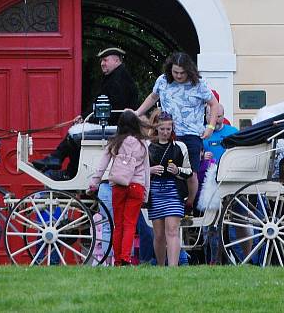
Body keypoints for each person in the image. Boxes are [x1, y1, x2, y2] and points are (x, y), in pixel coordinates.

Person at [33, 47, 139, 179]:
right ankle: (66, 168)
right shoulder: (115, 77)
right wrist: (84, 117)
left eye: (105, 60)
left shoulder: (119, 80)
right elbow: (101, 105)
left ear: (117, 61)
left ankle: (62, 165)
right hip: (114, 124)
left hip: (116, 127)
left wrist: (88, 118)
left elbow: (111, 108)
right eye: (101, 61)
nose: (102, 63)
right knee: (76, 134)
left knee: (75, 133)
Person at [134, 52, 218, 213]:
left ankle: (190, 204)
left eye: (182, 72)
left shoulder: (199, 84)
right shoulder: (163, 80)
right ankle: (157, 200)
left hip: (192, 134)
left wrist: (210, 127)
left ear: (189, 71)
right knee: (164, 168)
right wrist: (137, 112)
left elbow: (213, 104)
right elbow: (152, 97)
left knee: (191, 171)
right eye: (175, 72)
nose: (179, 76)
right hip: (168, 131)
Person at [87, 110, 150, 266]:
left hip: (119, 186)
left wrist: (94, 183)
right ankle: (126, 257)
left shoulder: (114, 142)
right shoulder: (143, 145)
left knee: (118, 225)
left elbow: (102, 166)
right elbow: (147, 170)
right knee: (130, 224)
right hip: (137, 186)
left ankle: (118, 261)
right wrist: (146, 194)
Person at [146, 111, 192, 267]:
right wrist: (150, 170)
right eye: (162, 129)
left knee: (172, 230)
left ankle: (173, 267)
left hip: (174, 191)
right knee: (158, 234)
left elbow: (189, 171)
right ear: (156, 129)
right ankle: (160, 265)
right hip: (155, 192)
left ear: (173, 129)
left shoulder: (180, 147)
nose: (165, 132)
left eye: (168, 129)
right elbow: (138, 170)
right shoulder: (148, 146)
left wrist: (177, 170)